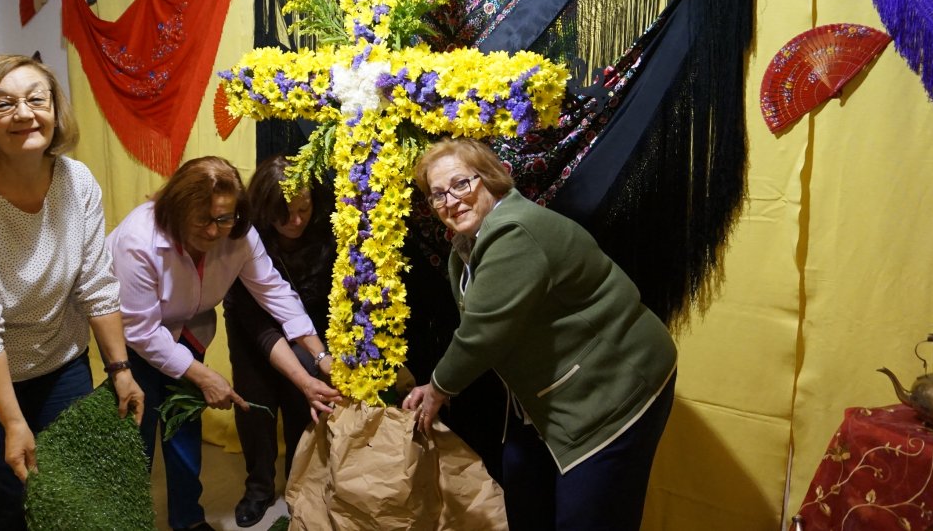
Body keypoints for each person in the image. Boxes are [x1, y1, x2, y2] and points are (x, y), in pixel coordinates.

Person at [402, 137, 677, 531]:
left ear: (490, 179)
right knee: (525, 495)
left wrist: (438, 388)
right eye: (438, 194)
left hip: (616, 388)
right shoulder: (466, 247)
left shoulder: (513, 232)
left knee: (590, 519)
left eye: (462, 183)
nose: (451, 200)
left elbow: (481, 334)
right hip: (549, 396)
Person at [0, 54, 145, 531]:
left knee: (71, 490)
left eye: (35, 99)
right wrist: (13, 420)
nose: (24, 114)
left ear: (53, 108)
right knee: (5, 498)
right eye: (3, 104)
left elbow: (97, 284)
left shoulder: (77, 180)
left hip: (57, 356)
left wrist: (120, 369)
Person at [106, 155, 341, 531]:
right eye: (203, 219)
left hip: (189, 330)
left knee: (183, 426)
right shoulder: (139, 240)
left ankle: (188, 519)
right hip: (132, 340)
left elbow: (275, 292)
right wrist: (204, 375)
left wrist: (320, 354)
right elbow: (142, 331)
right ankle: (125, 521)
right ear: (177, 208)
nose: (215, 231)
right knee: (136, 434)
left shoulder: (239, 234)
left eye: (224, 218)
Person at [222, 155, 336, 527]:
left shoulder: (328, 229)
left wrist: (319, 357)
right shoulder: (244, 239)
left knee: (304, 406)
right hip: (253, 329)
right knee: (255, 407)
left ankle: (299, 485)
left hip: (308, 333)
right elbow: (259, 322)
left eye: (304, 209)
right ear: (264, 208)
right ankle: (257, 489)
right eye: (285, 213)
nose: (296, 220)